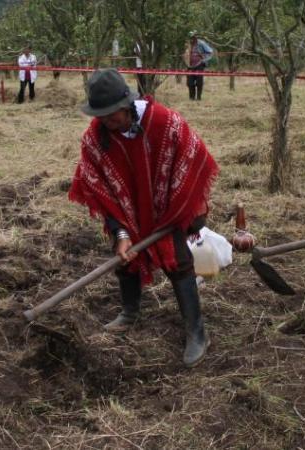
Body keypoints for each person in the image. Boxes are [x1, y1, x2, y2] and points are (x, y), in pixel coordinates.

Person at [69, 69, 219, 368]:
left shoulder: (165, 122)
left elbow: (194, 158)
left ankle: (196, 332)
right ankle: (129, 312)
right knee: (126, 261)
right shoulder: (97, 137)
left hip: (169, 209)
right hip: (128, 214)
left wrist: (179, 211)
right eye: (101, 117)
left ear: (127, 106)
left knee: (178, 261)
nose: (106, 123)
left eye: (112, 116)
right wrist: (122, 233)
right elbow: (98, 186)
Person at [183, 31, 214, 101]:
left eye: (193, 37)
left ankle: (199, 98)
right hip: (190, 66)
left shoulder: (201, 43)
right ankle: (191, 98)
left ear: (196, 37)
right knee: (190, 83)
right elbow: (185, 54)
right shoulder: (187, 45)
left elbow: (210, 52)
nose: (191, 39)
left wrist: (204, 60)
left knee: (199, 82)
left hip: (199, 65)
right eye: (190, 38)